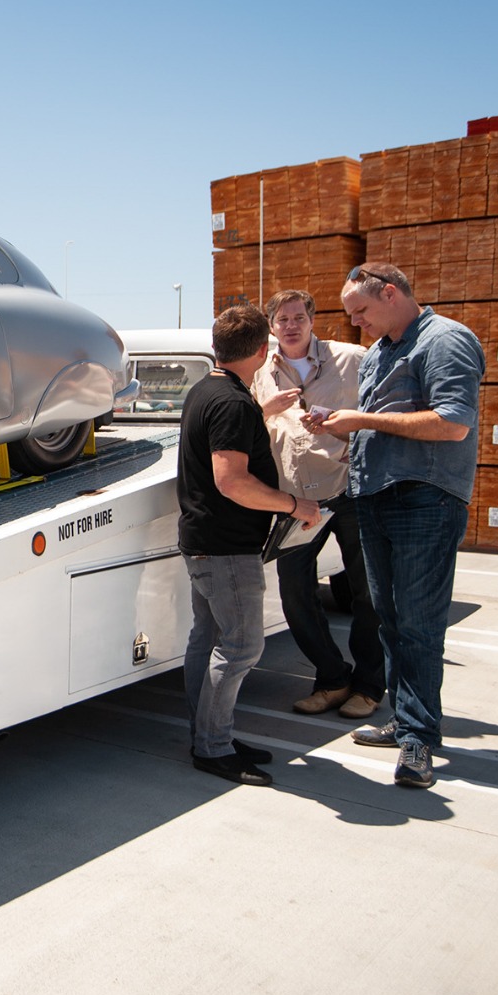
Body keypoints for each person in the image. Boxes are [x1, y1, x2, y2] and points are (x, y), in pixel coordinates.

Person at [309, 264, 484, 789]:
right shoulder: (383, 350)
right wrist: (343, 429)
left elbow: (452, 423)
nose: (356, 323)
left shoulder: (445, 341)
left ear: (391, 293)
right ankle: (408, 718)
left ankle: (418, 739)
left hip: (422, 500)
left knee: (419, 624)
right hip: (377, 497)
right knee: (389, 620)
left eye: (361, 311)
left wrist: (360, 421)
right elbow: (390, 421)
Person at [180, 304, 322, 785]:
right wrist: (294, 505)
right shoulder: (233, 403)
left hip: (203, 541)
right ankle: (213, 747)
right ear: (263, 351)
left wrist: (263, 411)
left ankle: (207, 734)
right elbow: (232, 481)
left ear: (216, 347)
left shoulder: (207, 391)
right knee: (240, 648)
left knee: (207, 640)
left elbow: (224, 438)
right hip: (226, 548)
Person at [253, 290, 385, 720]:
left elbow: (386, 409)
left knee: (368, 593)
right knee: (294, 593)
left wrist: (359, 444)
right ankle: (332, 678)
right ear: (272, 326)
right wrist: (264, 409)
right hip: (296, 499)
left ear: (312, 320)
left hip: (349, 491)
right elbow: (246, 424)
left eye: (298, 318)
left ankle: (368, 686)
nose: (290, 326)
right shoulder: (260, 371)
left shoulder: (352, 358)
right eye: (282, 319)